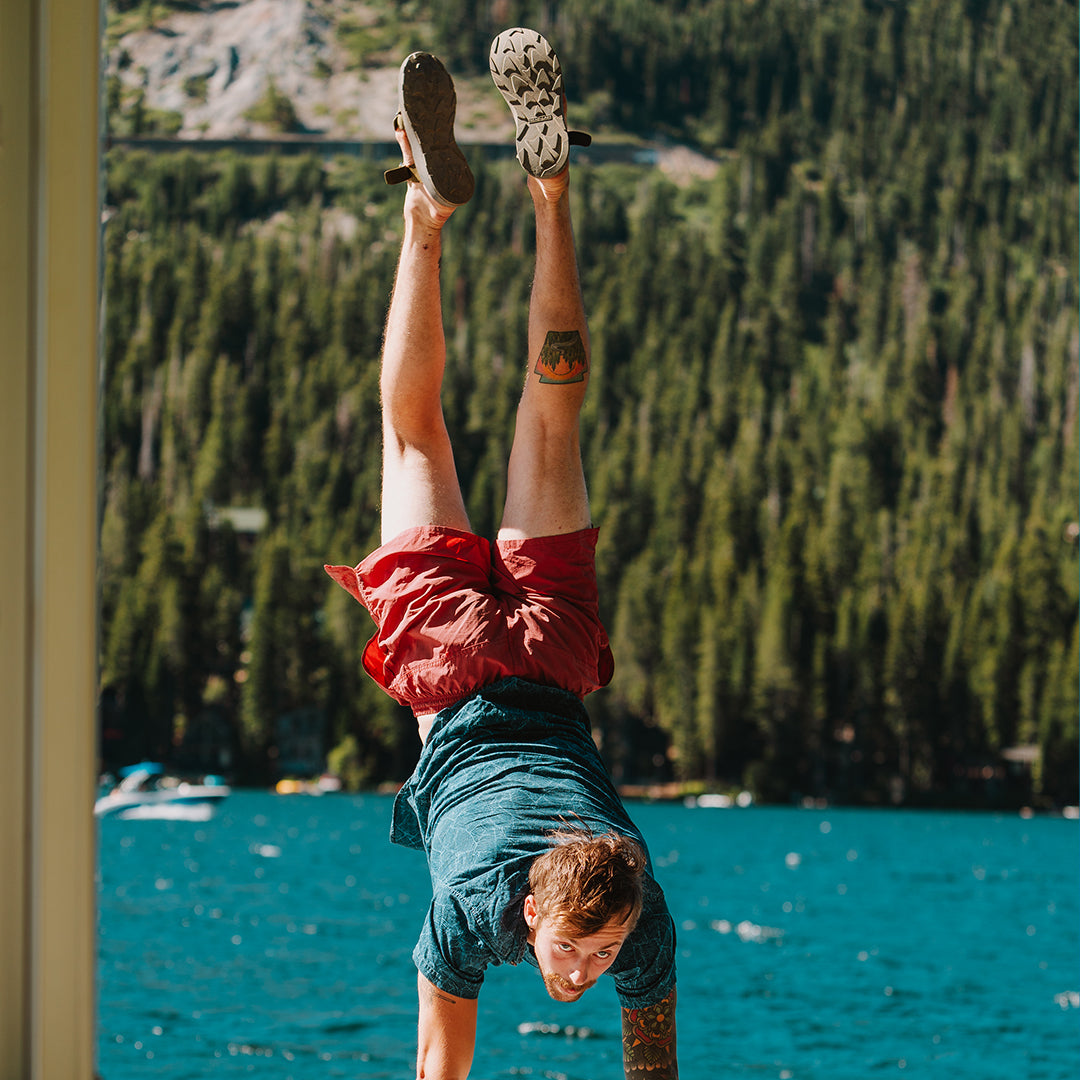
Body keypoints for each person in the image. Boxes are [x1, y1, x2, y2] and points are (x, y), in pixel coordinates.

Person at [325, 27, 679, 1080]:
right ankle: (429, 220)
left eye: (595, 953)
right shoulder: (478, 911)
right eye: (578, 950)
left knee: (550, 427)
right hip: (468, 670)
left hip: (557, 661)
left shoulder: (641, 913)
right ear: (529, 907)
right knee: (414, 434)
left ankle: (550, 183)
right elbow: (442, 1069)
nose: (579, 971)